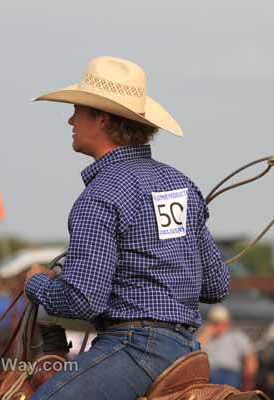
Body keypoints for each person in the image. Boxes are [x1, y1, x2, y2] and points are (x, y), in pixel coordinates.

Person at [24, 56, 230, 400]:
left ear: (101, 119)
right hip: (185, 349)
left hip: (135, 351)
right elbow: (216, 283)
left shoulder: (100, 195)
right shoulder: (180, 184)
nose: (70, 119)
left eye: (78, 109)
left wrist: (37, 283)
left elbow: (83, 300)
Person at [198, 305, 258, 390]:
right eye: (215, 323)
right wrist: (207, 333)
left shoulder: (237, 336)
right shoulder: (206, 337)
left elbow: (250, 357)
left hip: (231, 372)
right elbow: (196, 353)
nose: (219, 326)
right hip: (212, 373)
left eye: (221, 322)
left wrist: (249, 378)